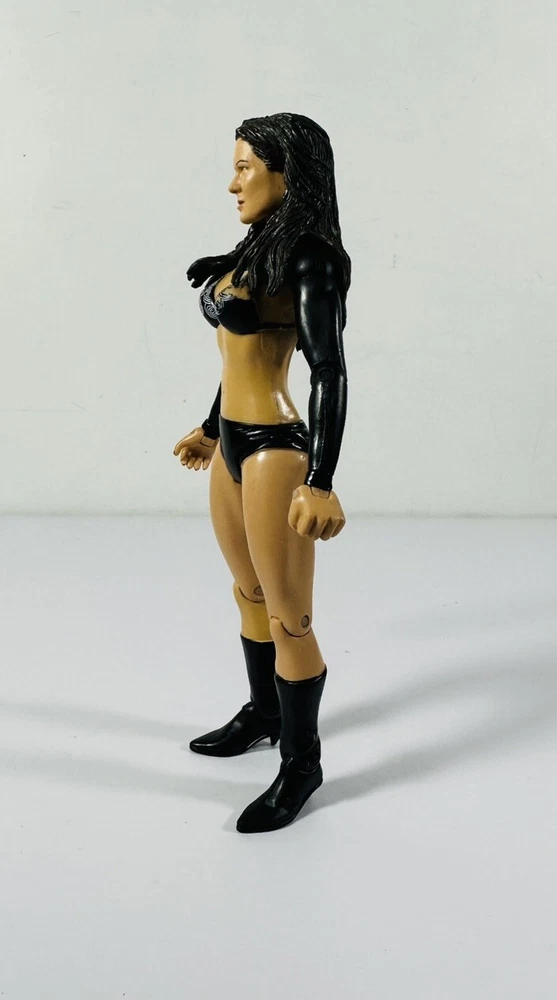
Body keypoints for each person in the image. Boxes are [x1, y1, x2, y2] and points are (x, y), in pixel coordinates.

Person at [173, 112, 351, 833]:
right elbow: (236, 360)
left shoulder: (313, 258)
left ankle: (302, 765)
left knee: (289, 616)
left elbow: (328, 370)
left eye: (245, 167)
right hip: (232, 440)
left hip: (277, 448)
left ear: (287, 172)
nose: (233, 182)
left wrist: (321, 480)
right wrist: (209, 426)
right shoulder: (259, 249)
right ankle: (265, 713)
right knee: (246, 591)